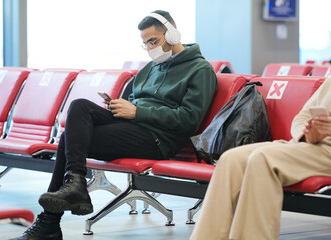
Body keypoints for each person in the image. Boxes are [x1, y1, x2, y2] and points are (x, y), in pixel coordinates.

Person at [12, 10, 217, 240]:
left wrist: (138, 112)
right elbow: (135, 102)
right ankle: (75, 182)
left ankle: (50, 221)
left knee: (69, 137)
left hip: (157, 139)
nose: (150, 48)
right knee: (79, 106)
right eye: (145, 43)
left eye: (153, 41)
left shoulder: (201, 70)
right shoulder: (150, 69)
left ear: (172, 35)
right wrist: (121, 107)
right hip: (133, 125)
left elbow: (189, 120)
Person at [190, 15, 331, 240]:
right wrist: (307, 133)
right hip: (311, 147)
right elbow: (302, 116)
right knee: (231, 159)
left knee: (261, 160)